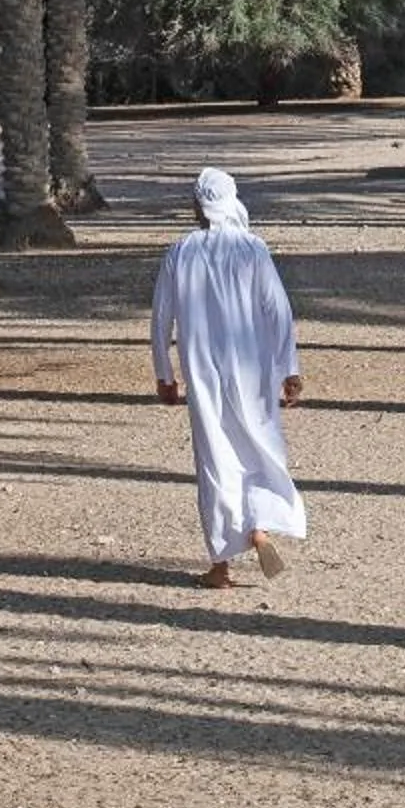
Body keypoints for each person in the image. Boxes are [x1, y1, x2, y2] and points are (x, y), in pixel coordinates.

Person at [151, 165, 307, 589]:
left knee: (215, 457)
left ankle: (221, 565)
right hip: (254, 368)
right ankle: (258, 525)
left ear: (197, 207)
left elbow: (161, 318)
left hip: (202, 369)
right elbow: (278, 310)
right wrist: (289, 369)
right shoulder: (253, 249)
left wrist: (165, 375)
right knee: (258, 446)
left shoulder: (179, 252)